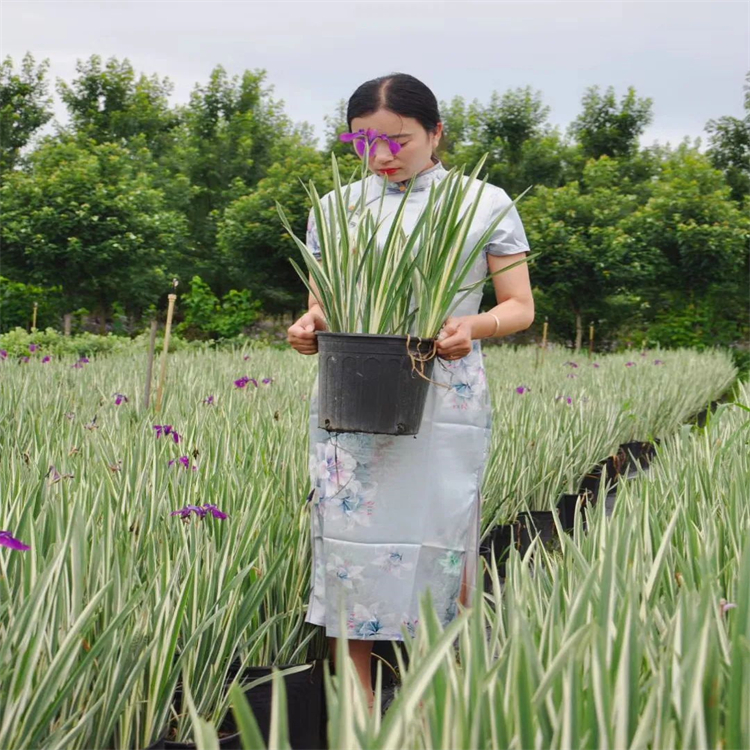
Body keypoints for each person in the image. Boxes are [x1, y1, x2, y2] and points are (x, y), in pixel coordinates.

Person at [287, 73, 535, 712]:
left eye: (398, 141)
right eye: (364, 143)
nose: (382, 157)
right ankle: (359, 711)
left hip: (443, 398)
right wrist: (309, 325)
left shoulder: (485, 204)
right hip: (353, 402)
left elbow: (519, 308)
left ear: (436, 133)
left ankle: (440, 696)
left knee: (440, 533)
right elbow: (322, 303)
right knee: (350, 544)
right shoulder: (337, 210)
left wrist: (472, 327)